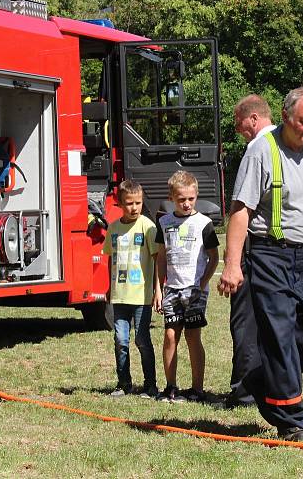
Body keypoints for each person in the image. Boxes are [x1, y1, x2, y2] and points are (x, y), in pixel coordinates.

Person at [218, 87, 303, 442]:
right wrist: (232, 265)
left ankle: (262, 380)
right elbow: (240, 211)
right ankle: (291, 420)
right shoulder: (262, 151)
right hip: (270, 255)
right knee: (279, 337)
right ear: (285, 118)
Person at [220, 94, 278, 409]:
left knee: (245, 321)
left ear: (253, 118)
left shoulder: (257, 148)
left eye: (239, 123)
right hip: (283, 251)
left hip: (256, 248)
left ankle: (244, 389)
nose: (238, 129)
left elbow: (241, 209)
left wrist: (233, 262)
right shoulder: (286, 146)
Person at [154, 170, 220, 403]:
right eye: (181, 199)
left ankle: (197, 388)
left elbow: (214, 257)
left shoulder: (204, 223)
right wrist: (158, 289)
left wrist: (202, 284)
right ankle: (170, 386)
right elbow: (161, 257)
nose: (186, 203)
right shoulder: (163, 222)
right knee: (171, 336)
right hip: (171, 289)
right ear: (172, 197)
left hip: (195, 290)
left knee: (193, 336)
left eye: (191, 199)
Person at [103, 180, 161, 398]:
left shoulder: (148, 226)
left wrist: (158, 290)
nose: (134, 207)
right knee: (120, 340)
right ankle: (124, 383)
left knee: (142, 340)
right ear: (119, 203)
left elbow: (157, 260)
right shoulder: (113, 228)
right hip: (120, 296)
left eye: (138, 203)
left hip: (142, 296)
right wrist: (109, 286)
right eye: (129, 203)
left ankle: (150, 384)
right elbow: (112, 259)